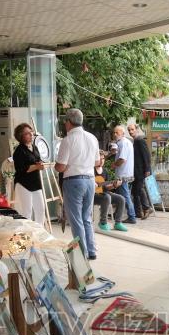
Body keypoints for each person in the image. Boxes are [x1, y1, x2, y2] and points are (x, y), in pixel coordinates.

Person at [55, 108, 101, 260]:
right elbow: (97, 163)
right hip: (90, 180)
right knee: (86, 217)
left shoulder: (68, 140)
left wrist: (62, 166)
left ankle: (82, 254)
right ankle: (91, 250)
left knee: (76, 220)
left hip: (74, 182)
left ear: (68, 122)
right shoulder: (92, 138)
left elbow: (60, 167)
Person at [12, 123, 46, 223]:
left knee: (41, 209)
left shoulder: (34, 147)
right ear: (21, 136)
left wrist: (39, 164)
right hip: (23, 184)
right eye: (28, 133)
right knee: (27, 212)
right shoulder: (19, 151)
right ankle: (27, 235)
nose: (31, 135)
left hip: (35, 183)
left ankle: (40, 233)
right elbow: (22, 169)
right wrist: (36, 166)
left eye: (31, 132)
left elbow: (38, 160)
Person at [94, 151, 127, 232]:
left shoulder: (104, 171)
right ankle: (103, 222)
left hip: (103, 193)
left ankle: (118, 223)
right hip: (92, 194)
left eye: (103, 159)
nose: (102, 161)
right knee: (106, 197)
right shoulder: (90, 170)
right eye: (100, 159)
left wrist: (114, 185)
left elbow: (106, 187)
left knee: (121, 199)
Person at [111, 125, 137, 224]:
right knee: (123, 195)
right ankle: (119, 214)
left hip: (123, 174)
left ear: (122, 133)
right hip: (126, 173)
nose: (114, 134)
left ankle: (131, 216)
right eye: (114, 132)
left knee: (125, 196)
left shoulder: (123, 143)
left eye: (116, 132)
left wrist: (114, 165)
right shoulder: (124, 142)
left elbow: (122, 159)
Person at [128, 123, 153, 219]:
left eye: (132, 129)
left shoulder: (140, 140)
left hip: (140, 170)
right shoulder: (135, 141)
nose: (130, 132)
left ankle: (147, 208)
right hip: (135, 170)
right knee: (135, 191)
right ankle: (139, 212)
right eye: (129, 130)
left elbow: (146, 155)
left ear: (137, 130)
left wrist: (147, 169)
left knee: (139, 189)